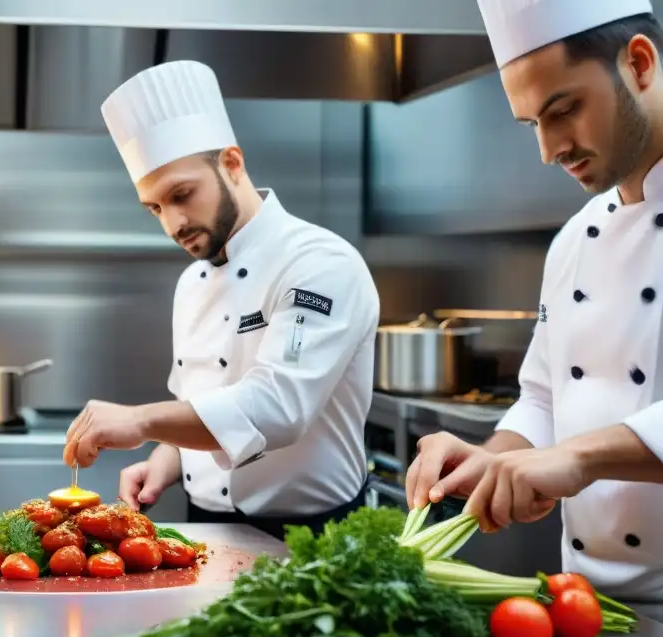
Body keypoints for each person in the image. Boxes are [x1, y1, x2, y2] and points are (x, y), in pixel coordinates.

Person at [407, 0, 663, 600]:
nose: (549, 150)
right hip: (587, 602)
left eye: (564, 110)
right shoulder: (575, 237)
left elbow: (571, 448)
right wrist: (490, 458)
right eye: (532, 125)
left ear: (641, 63)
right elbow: (545, 398)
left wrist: (579, 458)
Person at [61, 60, 379, 538]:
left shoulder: (320, 264)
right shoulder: (192, 282)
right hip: (205, 532)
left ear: (232, 164)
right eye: (155, 208)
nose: (172, 224)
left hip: (312, 538)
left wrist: (142, 421)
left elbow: (276, 408)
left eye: (182, 194)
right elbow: (200, 401)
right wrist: (168, 456)